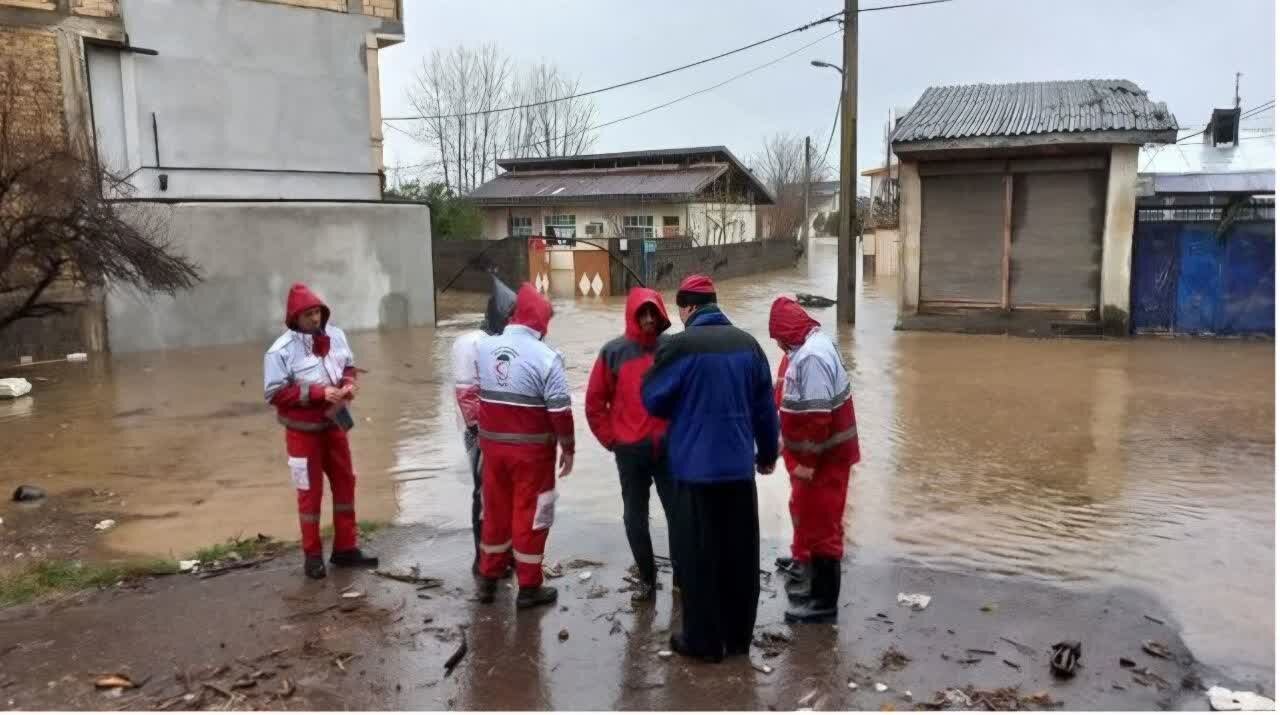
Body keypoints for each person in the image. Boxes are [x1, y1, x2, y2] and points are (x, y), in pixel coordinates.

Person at [642, 274, 779, 662]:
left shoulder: (680, 347)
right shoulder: (749, 345)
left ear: (687, 308)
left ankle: (703, 642)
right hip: (738, 472)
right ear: (714, 303)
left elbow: (653, 400)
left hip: (693, 474)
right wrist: (767, 454)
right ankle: (738, 640)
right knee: (739, 557)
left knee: (698, 557)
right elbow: (766, 411)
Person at [264, 283, 379, 580]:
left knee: (345, 483)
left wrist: (350, 383)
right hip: (302, 433)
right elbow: (274, 393)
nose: (315, 320)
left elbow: (348, 367)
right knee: (309, 494)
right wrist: (318, 393)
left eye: (317, 312)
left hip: (335, 423)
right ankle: (312, 555)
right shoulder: (279, 351)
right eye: (307, 315)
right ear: (294, 318)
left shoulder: (337, 335)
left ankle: (345, 548)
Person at [475, 283, 574, 609]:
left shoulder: (484, 347)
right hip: (533, 454)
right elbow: (560, 410)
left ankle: (488, 580)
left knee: (495, 511)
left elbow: (478, 394)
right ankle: (529, 587)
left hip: (492, 450)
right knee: (534, 515)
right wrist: (568, 448)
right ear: (541, 321)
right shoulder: (548, 357)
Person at [768, 296, 860, 623]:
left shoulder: (810, 358)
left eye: (777, 338)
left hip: (825, 460)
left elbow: (818, 416)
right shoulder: (816, 344)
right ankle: (815, 591)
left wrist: (807, 461)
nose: (778, 345)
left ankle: (822, 604)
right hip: (829, 457)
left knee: (824, 528)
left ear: (785, 334)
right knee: (817, 521)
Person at [585, 287, 674, 603]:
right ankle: (648, 581)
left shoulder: (673, 349)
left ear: (662, 314)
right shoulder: (613, 352)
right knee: (634, 517)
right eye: (642, 313)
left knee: (678, 514)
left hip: (667, 450)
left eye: (653, 312)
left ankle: (681, 581)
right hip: (630, 450)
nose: (649, 319)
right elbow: (594, 403)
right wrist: (611, 440)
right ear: (633, 316)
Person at [451, 273, 518, 575]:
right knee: (486, 495)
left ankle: (504, 553)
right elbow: (467, 397)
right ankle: (484, 559)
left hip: (501, 433)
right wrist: (482, 433)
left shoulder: (499, 344)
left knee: (506, 496)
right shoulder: (471, 344)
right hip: (482, 435)